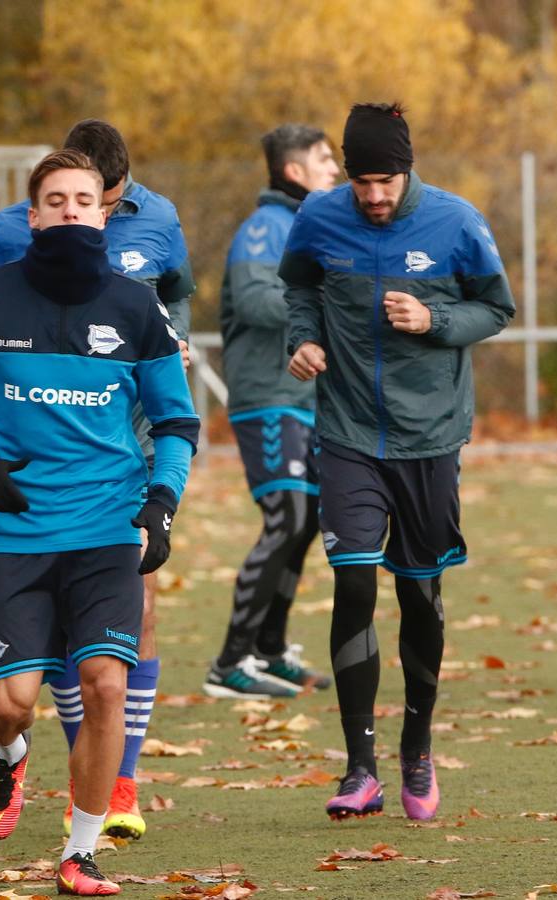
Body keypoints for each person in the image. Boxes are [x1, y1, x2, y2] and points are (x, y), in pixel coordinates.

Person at [0, 148, 197, 896]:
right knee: (10, 703)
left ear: (104, 214)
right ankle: (8, 756)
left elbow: (177, 421)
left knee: (106, 683)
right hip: (13, 531)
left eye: (85, 199)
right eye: (57, 199)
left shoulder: (138, 307)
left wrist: (161, 503)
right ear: (33, 213)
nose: (72, 210)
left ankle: (81, 851)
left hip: (107, 527)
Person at [283, 102, 515, 821]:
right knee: (352, 583)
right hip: (348, 434)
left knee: (419, 594)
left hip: (430, 439)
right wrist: (304, 337)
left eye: (385, 181)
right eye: (362, 183)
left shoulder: (456, 222)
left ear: (407, 170)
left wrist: (435, 320)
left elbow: (498, 308)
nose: (374, 196)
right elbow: (297, 286)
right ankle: (359, 768)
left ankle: (417, 744)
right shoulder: (320, 218)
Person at [204, 123, 339, 699]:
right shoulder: (266, 228)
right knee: (285, 516)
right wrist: (331, 300)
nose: (333, 168)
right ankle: (227, 665)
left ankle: (270, 649)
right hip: (266, 398)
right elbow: (259, 301)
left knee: (305, 523)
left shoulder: (307, 227)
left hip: (303, 401)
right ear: (294, 171)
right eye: (324, 159)